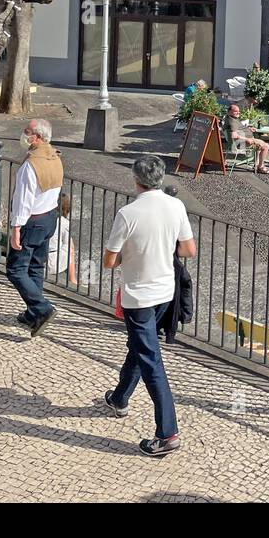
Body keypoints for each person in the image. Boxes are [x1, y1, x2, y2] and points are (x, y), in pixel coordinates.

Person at [102, 154, 197, 456]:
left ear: (136, 179)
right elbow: (188, 249)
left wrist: (132, 254)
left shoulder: (128, 214)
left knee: (151, 359)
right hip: (165, 292)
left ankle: (167, 433)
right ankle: (119, 398)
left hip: (138, 296)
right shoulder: (176, 205)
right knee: (142, 347)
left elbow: (109, 260)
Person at [6, 118, 64, 336]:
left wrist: (15, 228)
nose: (23, 134)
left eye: (27, 131)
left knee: (15, 269)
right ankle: (33, 312)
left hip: (32, 220)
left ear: (37, 137)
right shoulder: (55, 156)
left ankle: (42, 308)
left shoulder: (30, 165)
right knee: (36, 266)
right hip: (50, 217)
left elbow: (23, 200)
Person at [226, 102, 269, 174]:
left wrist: (248, 129)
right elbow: (234, 135)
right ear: (229, 111)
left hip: (241, 141)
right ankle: (260, 167)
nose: (238, 112)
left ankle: (256, 164)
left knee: (260, 144)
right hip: (242, 143)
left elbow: (238, 130)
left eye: (238, 111)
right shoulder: (232, 121)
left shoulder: (230, 118)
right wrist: (247, 139)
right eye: (236, 111)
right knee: (266, 146)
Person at [47, 191, 77, 287]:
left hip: (38, 257)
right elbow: (69, 246)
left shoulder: (43, 218)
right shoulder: (64, 222)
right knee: (70, 248)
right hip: (53, 263)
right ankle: (72, 279)